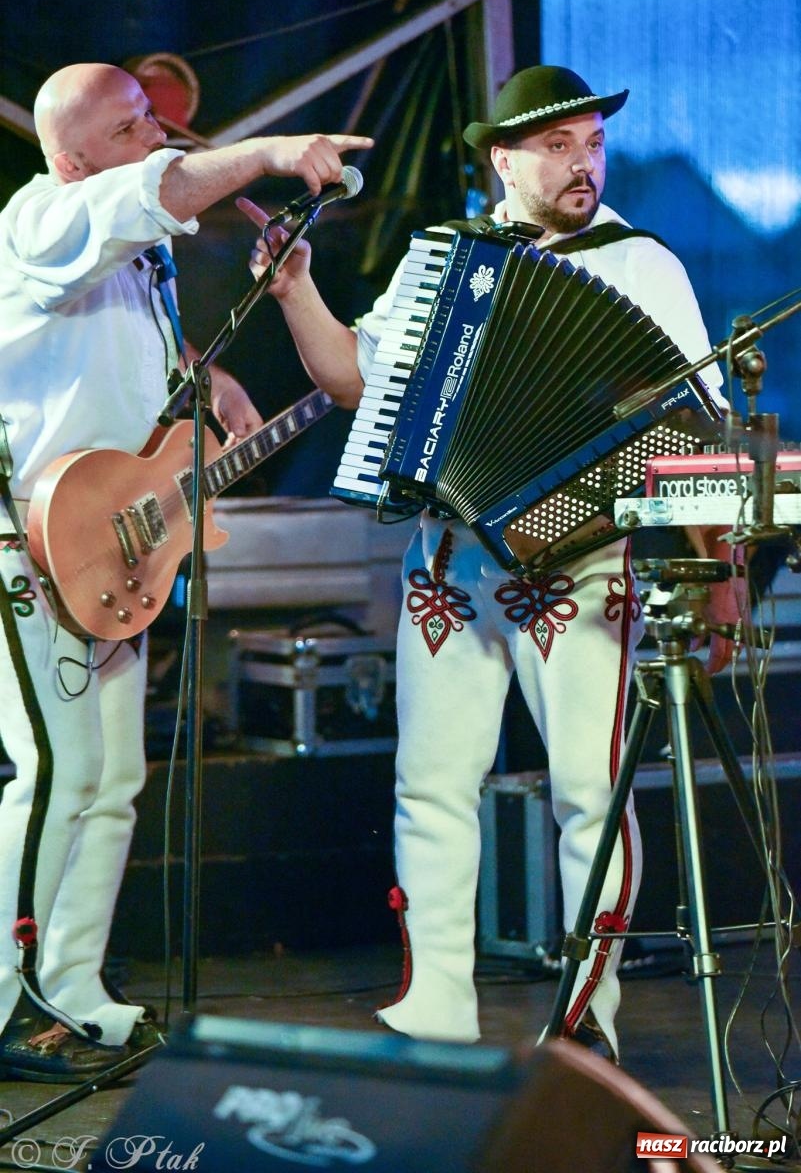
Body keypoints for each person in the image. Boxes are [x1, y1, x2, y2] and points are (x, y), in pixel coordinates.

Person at [238, 65, 740, 1058]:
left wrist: (718, 576)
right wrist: (295, 292)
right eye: (557, 146)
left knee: (590, 793)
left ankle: (588, 1017)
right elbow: (354, 380)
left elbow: (697, 433)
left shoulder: (642, 264)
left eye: (593, 144)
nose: (583, 164)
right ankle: (435, 1002)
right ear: (503, 160)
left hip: (581, 567)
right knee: (430, 785)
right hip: (450, 560)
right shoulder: (446, 256)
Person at [0, 61, 373, 1082]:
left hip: (104, 541)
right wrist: (271, 153)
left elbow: (111, 347)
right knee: (56, 770)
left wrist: (204, 375)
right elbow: (151, 191)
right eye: (129, 126)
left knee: (113, 780)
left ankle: (71, 991)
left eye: (152, 119)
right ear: (73, 158)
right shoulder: (42, 216)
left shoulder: (131, 252)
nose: (155, 135)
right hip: (28, 543)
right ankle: (4, 998)